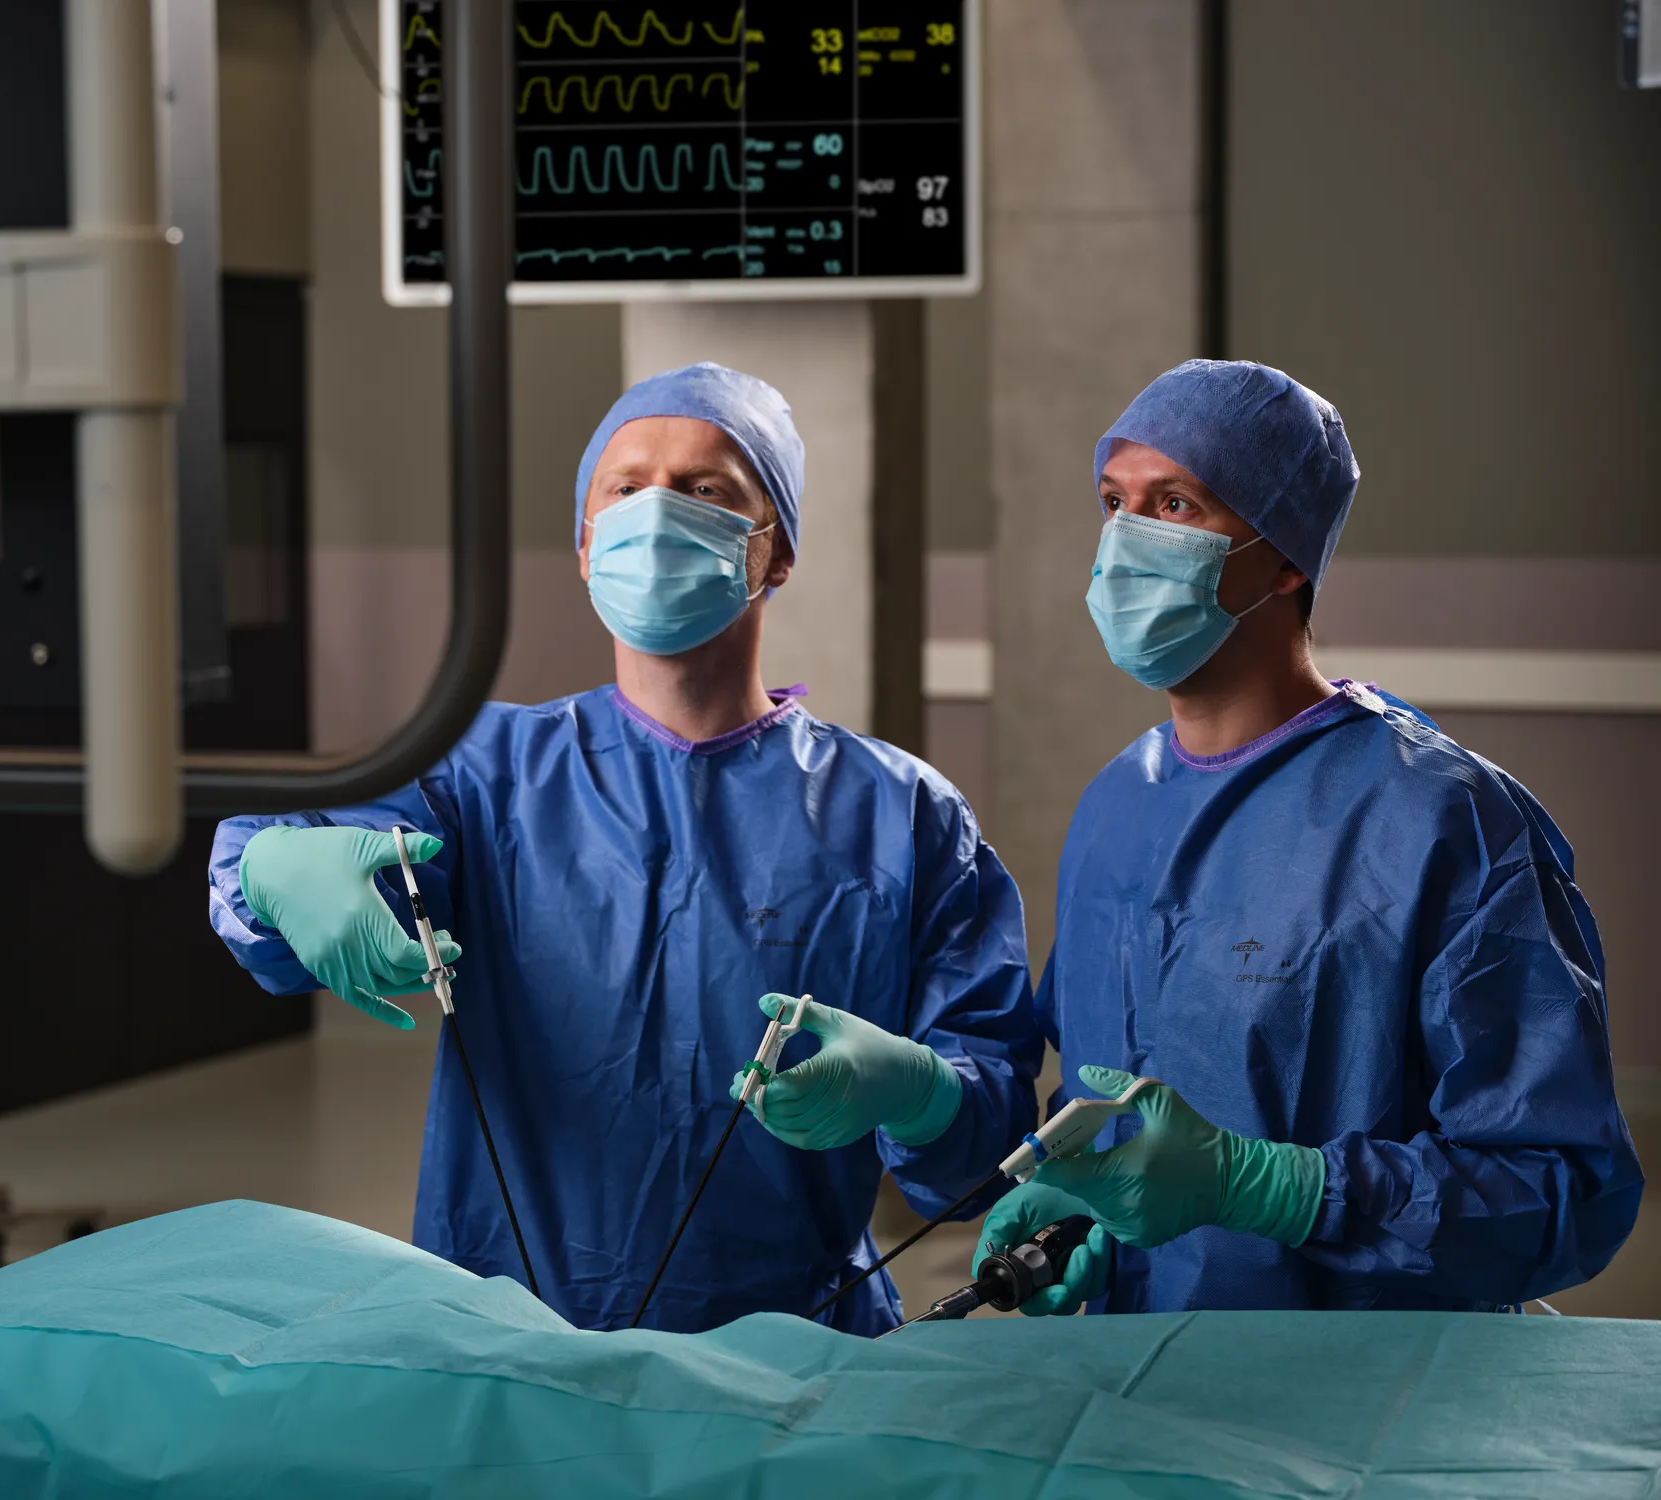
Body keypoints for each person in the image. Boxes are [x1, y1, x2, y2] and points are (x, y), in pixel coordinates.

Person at [210, 362, 1041, 1335]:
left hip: (796, 1351)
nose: (657, 513)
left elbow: (982, 1145)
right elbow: (295, 865)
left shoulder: (898, 814)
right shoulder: (477, 774)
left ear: (774, 552)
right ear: (584, 543)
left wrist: (919, 1093)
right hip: (509, 1342)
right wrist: (270, 867)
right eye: (626, 486)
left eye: (705, 490)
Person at [977, 359, 1643, 1315]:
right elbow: (1119, 1095)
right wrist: (1081, 1207)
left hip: (1370, 1386)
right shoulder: (1118, 804)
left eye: (1176, 505)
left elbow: (1561, 1191)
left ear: (1287, 558)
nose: (1126, 539)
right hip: (1138, 1369)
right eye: (1114, 502)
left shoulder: (1446, 822)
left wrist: (1281, 1192)